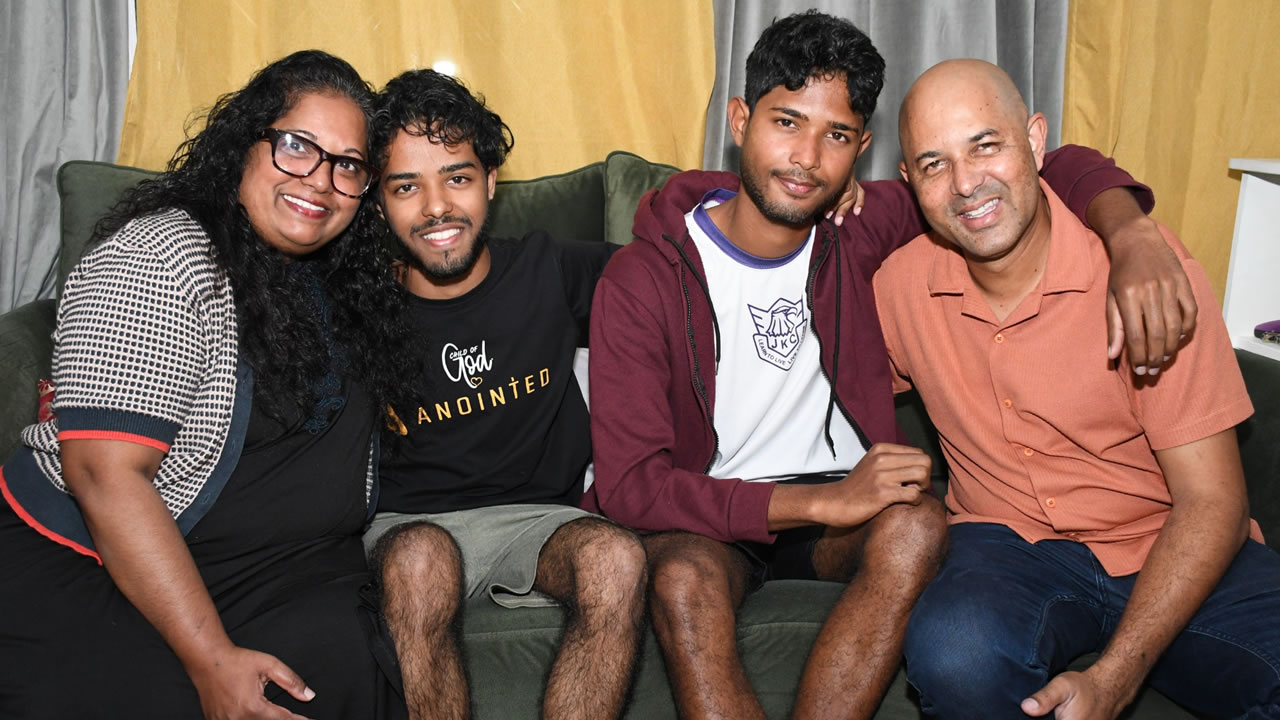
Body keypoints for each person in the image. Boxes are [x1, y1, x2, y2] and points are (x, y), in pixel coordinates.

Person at [587, 10, 1198, 720]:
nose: (808, 158)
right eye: (787, 122)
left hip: (838, 525)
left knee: (917, 524)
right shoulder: (644, 278)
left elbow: (1042, 164)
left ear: (863, 149)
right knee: (684, 581)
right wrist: (821, 500)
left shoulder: (864, 224)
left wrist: (1132, 232)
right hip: (711, 518)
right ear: (739, 119)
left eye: (836, 136)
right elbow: (631, 487)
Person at [0, 51, 410, 719]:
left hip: (278, 569)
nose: (321, 180)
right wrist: (209, 655)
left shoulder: (347, 279)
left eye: (348, 165)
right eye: (296, 146)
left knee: (341, 673)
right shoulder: (161, 257)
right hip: (96, 559)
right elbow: (105, 475)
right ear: (245, 144)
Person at [881, 59, 1280, 719]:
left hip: (1167, 536)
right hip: (1007, 544)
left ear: (1036, 142)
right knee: (954, 655)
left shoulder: (1147, 278)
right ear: (909, 183)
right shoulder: (898, 288)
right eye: (934, 164)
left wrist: (1117, 676)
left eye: (986, 145)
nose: (966, 184)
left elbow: (1212, 503)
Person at [363, 69, 647, 720]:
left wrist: (818, 198)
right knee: (419, 564)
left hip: (539, 521)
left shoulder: (553, 269)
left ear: (492, 181)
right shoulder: (357, 302)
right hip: (406, 527)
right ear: (379, 201)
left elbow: (695, 260)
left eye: (457, 178)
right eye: (407, 186)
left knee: (614, 558)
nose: (436, 207)